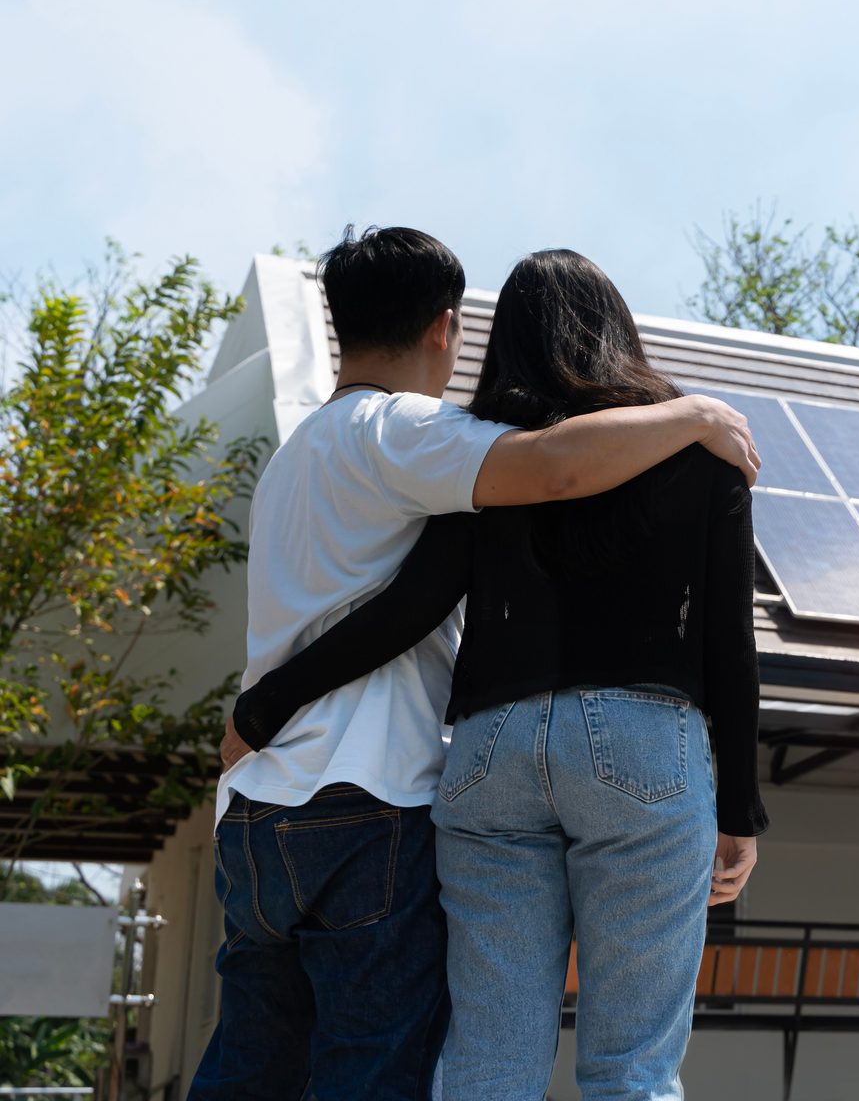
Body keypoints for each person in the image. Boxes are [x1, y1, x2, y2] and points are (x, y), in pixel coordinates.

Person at [191, 228, 759, 1101]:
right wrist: (698, 414)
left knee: (457, 1068)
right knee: (623, 1069)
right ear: (444, 327)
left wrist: (262, 710)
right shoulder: (442, 441)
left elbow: (413, 601)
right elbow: (722, 631)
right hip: (406, 792)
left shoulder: (308, 458)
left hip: (373, 781)